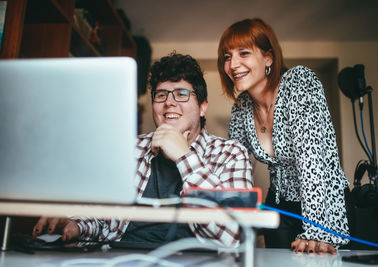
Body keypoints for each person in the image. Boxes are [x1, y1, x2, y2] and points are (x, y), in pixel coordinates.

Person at [32, 52, 253, 247]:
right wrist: (75, 225)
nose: (169, 102)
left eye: (181, 93)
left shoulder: (231, 154)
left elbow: (234, 236)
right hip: (120, 257)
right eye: (161, 94)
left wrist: (184, 156)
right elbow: (99, 217)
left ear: (203, 107)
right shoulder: (128, 149)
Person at [217, 18, 351, 254]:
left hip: (325, 207)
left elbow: (311, 163)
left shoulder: (299, 82)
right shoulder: (241, 107)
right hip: (278, 208)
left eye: (243, 53)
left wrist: (315, 230)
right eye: (227, 57)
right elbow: (233, 168)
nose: (233, 64)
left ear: (268, 58)